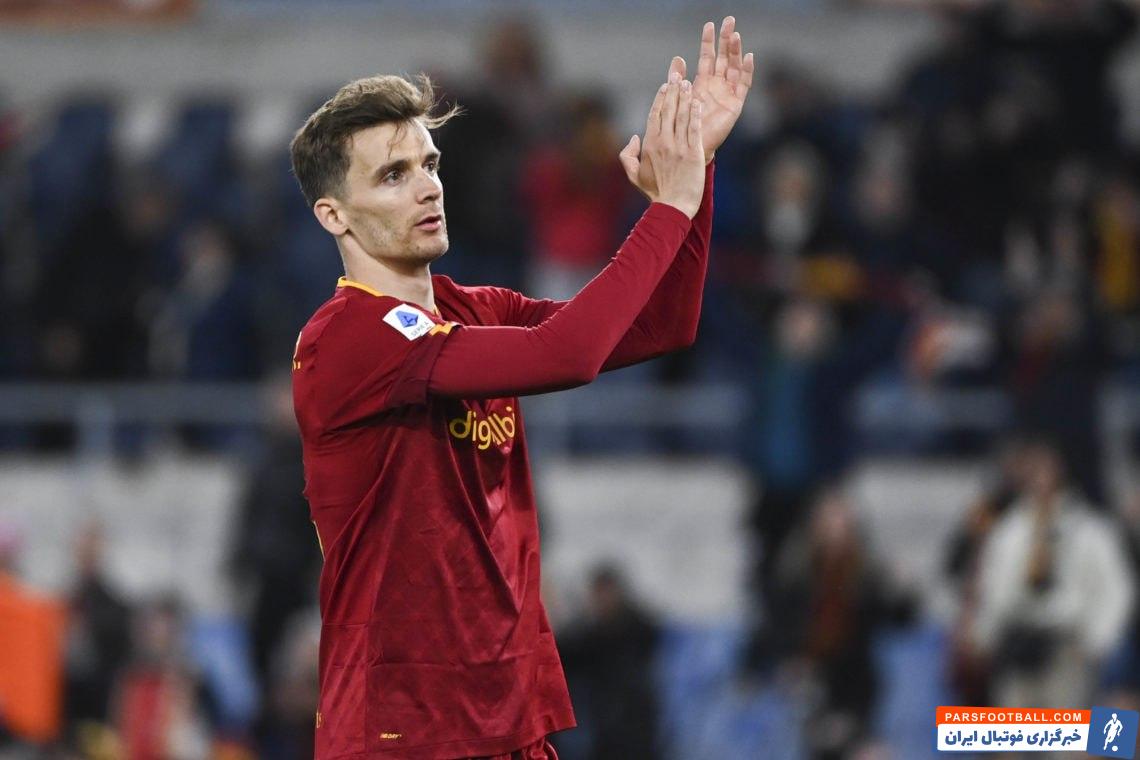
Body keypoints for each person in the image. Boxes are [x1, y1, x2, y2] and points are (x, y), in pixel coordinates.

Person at [288, 17, 753, 760]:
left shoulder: (476, 308)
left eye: (429, 163)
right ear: (332, 214)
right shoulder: (345, 339)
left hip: (506, 716)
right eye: (393, 175)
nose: (427, 187)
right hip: (402, 729)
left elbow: (659, 326)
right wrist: (668, 206)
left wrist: (694, 174)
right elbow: (567, 354)